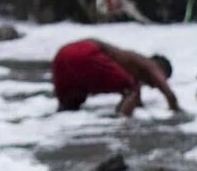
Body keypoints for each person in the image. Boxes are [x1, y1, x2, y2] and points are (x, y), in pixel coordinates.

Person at [51, 37, 179, 117]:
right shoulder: (147, 63)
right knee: (130, 91)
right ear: (160, 67)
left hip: (62, 55)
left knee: (70, 106)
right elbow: (170, 95)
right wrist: (178, 113)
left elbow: (137, 100)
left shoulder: (132, 71)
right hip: (88, 52)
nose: (153, 86)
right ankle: (120, 127)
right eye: (163, 77)